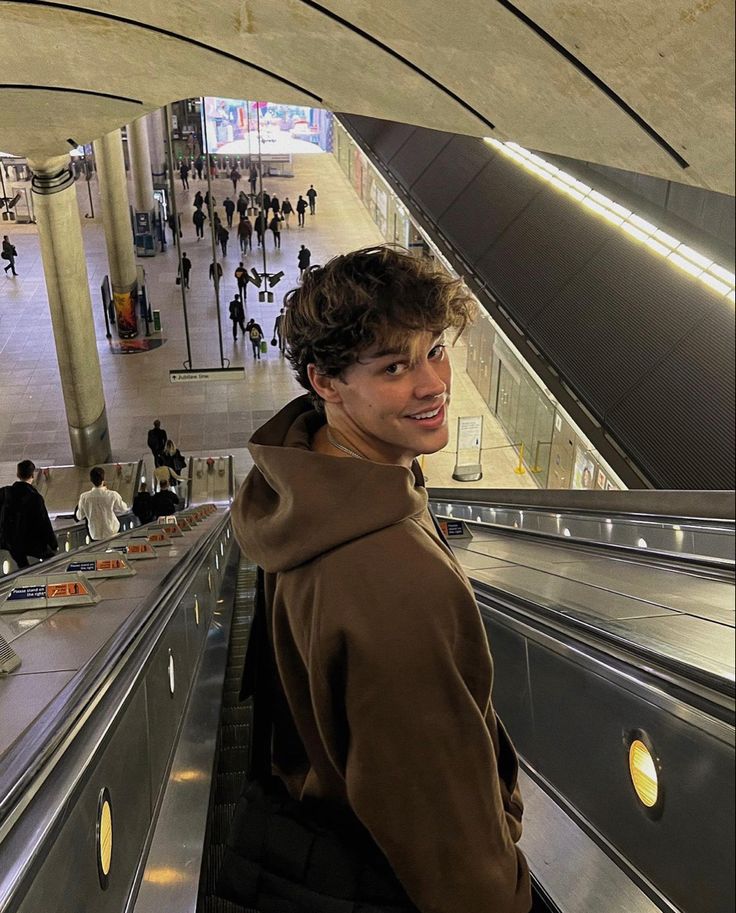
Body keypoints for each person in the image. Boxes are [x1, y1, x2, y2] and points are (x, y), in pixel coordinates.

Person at [227, 246, 531, 913]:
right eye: (394, 366)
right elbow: (450, 850)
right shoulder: (392, 581)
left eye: (433, 350)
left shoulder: (303, 492)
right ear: (327, 382)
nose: (432, 383)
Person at [0, 459, 57, 569]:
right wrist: (53, 543)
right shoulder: (36, 498)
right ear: (32, 475)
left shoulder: (5, 492)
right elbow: (44, 522)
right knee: (46, 559)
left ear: (18, 474)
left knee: (21, 564)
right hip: (30, 542)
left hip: (10, 542)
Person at [76, 466, 129, 541]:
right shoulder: (112, 495)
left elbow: (79, 516)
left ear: (91, 480)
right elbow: (124, 509)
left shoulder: (84, 497)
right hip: (112, 532)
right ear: (103, 479)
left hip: (95, 535)